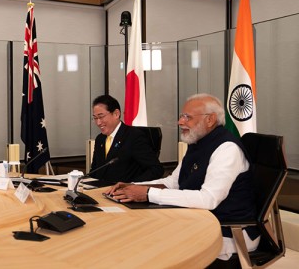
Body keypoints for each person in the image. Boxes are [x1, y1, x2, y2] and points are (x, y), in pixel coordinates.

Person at [106, 93, 259, 264]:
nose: (180, 122)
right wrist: (133, 186)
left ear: (210, 120)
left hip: (229, 231)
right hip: (200, 221)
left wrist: (148, 194)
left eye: (187, 117)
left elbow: (208, 199)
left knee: (150, 249)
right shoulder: (198, 142)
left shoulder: (226, 149)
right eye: (181, 116)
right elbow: (173, 182)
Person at [89, 95, 163, 183]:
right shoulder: (100, 139)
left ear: (116, 114)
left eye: (101, 117)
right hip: (99, 191)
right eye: (95, 118)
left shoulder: (133, 136)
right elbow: (95, 171)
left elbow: (156, 169)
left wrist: (131, 186)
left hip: (123, 193)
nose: (98, 122)